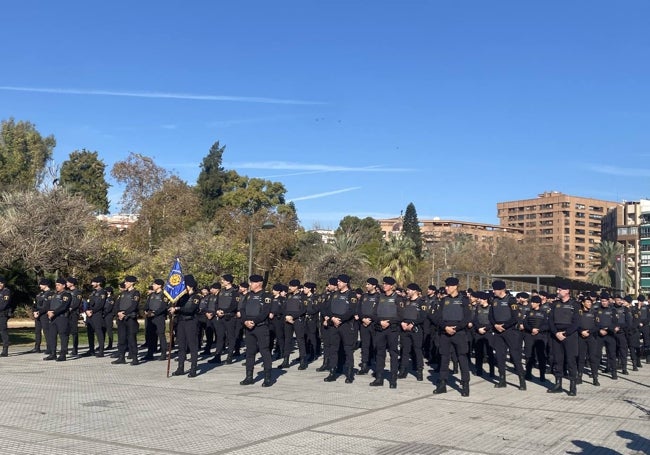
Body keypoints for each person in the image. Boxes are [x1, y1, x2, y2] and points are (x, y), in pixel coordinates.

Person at [432, 277, 472, 397]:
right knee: (444, 359)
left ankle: (465, 385)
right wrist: (445, 328)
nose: (446, 288)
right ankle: (442, 384)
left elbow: (467, 318)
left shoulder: (464, 300)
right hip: (445, 333)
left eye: (448, 286)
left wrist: (455, 328)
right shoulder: (444, 301)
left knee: (462, 358)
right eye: (446, 286)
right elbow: (437, 318)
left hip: (459, 333)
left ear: (455, 287)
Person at [489, 280, 526, 390]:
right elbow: (491, 316)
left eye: (495, 289)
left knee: (515, 356)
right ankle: (502, 380)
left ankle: (522, 381)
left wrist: (503, 326)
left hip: (510, 331)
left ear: (501, 290)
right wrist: (495, 325)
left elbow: (515, 317)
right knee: (500, 356)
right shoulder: (494, 300)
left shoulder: (511, 300)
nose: (493, 291)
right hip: (498, 332)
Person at [239, 274, 274, 387]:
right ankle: (249, 377)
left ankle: (268, 377)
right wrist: (245, 321)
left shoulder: (266, 295)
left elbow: (265, 312)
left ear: (259, 283)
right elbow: (242, 309)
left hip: (261, 327)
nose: (250, 285)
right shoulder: (248, 295)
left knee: (264, 351)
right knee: (250, 352)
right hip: (248, 327)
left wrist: (254, 322)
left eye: (252, 283)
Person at [323, 274, 357, 384]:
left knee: (348, 350)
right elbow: (327, 308)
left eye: (340, 282)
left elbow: (351, 310)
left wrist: (340, 319)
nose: (338, 283)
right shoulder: (334, 294)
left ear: (346, 283)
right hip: (334, 325)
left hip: (345, 326)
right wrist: (333, 318)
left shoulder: (351, 295)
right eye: (337, 281)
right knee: (334, 349)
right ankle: (333, 372)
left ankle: (349, 373)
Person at [547, 280, 580, 396]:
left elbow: (576, 323)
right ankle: (558, 384)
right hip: (556, 336)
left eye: (560, 290)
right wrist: (556, 333)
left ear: (567, 291)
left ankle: (572, 386)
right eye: (558, 289)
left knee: (571, 361)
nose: (558, 291)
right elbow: (550, 320)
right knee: (557, 360)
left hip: (569, 336)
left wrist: (565, 334)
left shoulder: (575, 305)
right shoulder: (555, 304)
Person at [369, 276, 403, 388]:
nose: (384, 285)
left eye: (386, 284)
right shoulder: (379, 297)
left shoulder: (398, 298)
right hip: (380, 329)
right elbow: (373, 314)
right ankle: (379, 378)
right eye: (383, 283)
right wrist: (380, 321)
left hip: (392, 329)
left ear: (392, 286)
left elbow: (401, 315)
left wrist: (389, 322)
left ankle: (393, 379)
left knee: (393, 354)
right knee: (380, 353)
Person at [170, 275, 201, 377]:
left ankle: (193, 368)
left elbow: (190, 309)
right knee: (181, 346)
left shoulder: (196, 296)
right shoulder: (182, 297)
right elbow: (175, 306)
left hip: (191, 322)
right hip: (181, 322)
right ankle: (180, 368)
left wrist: (178, 309)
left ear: (190, 285)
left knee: (192, 346)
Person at [399, 283, 426, 381]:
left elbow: (423, 316)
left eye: (409, 290)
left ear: (414, 291)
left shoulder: (421, 302)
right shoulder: (406, 301)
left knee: (417, 350)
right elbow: (401, 313)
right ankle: (403, 370)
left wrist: (413, 324)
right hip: (405, 328)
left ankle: (419, 371)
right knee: (405, 350)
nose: (407, 291)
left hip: (416, 329)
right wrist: (402, 323)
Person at [112, 276, 141, 366]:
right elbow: (116, 305)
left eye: (127, 282)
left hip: (130, 318)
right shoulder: (122, 294)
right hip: (121, 319)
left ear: (132, 283)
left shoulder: (136, 293)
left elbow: (134, 306)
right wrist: (118, 313)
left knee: (131, 338)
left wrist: (124, 313)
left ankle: (135, 358)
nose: (125, 283)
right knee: (121, 338)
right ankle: (121, 357)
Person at [279, 279, 308, 370]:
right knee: (287, 340)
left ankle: (303, 361)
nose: (289, 288)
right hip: (288, 320)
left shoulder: (303, 296)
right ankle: (285, 360)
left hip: (298, 320)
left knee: (300, 340)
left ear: (296, 287)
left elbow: (303, 309)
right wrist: (287, 316)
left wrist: (292, 316)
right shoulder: (288, 296)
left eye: (291, 286)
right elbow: (283, 308)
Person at [357, 278, 380, 375]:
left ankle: (376, 367)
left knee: (375, 346)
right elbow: (359, 309)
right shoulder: (364, 296)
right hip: (363, 323)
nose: (366, 286)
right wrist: (363, 319)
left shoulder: (379, 297)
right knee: (365, 345)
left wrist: (370, 319)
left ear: (374, 286)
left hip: (373, 324)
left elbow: (379, 311)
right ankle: (364, 365)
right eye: (366, 284)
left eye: (369, 284)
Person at [523, 295, 549, 382]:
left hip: (540, 336)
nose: (532, 304)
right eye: (531, 302)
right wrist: (531, 329)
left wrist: (538, 330)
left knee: (541, 355)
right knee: (529, 355)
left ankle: (542, 375)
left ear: (538, 303)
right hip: (529, 335)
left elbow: (547, 325)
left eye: (533, 302)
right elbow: (525, 323)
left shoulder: (544, 313)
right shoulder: (528, 312)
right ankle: (528, 373)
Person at [45, 278, 72, 361]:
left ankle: (63, 354)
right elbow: (49, 304)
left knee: (63, 336)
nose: (57, 286)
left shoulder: (66, 294)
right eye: (56, 285)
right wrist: (48, 311)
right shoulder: (54, 295)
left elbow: (64, 306)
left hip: (62, 317)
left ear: (63, 286)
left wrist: (54, 312)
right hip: (53, 318)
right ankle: (53, 353)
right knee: (52, 336)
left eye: (59, 285)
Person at [143, 279, 169, 361]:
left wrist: (155, 313)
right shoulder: (151, 295)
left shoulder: (164, 295)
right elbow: (147, 304)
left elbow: (164, 307)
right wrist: (146, 310)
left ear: (159, 285)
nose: (153, 286)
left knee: (161, 335)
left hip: (159, 317)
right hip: (150, 317)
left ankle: (163, 353)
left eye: (154, 284)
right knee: (151, 335)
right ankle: (150, 353)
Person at [576, 295, 600, 386]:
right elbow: (575, 324)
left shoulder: (594, 312)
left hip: (591, 337)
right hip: (581, 337)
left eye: (590, 302)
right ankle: (579, 377)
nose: (589, 304)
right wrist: (581, 331)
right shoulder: (578, 312)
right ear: (583, 303)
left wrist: (589, 332)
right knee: (581, 358)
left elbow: (597, 325)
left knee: (593, 358)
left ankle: (595, 378)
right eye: (587, 302)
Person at [472, 292, 495, 378]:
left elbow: (493, 321)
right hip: (479, 332)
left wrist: (485, 329)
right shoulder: (478, 308)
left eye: (480, 299)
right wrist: (478, 328)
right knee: (478, 353)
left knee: (490, 352)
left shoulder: (491, 308)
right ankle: (479, 370)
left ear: (485, 299)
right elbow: (475, 320)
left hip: (488, 332)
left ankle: (492, 371)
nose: (479, 300)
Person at [595, 292, 618, 380]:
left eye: (605, 301)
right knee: (597, 354)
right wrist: (600, 329)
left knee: (612, 354)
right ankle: (595, 372)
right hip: (600, 335)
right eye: (602, 301)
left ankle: (614, 373)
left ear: (608, 301)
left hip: (610, 335)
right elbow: (595, 323)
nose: (604, 302)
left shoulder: (613, 310)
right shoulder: (597, 310)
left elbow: (615, 323)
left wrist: (607, 329)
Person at [85, 276, 108, 357]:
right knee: (90, 332)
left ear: (99, 283)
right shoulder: (93, 292)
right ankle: (91, 350)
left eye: (94, 282)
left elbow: (100, 304)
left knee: (98, 332)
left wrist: (92, 311)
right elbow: (88, 302)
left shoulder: (102, 292)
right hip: (89, 314)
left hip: (97, 314)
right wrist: (87, 310)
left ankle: (101, 350)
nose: (92, 284)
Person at [31, 278, 54, 354]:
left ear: (46, 285)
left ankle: (49, 347)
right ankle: (37, 347)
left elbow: (47, 306)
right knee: (37, 331)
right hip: (37, 314)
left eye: (41, 284)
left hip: (44, 314)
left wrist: (39, 312)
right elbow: (34, 304)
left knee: (46, 331)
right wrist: (34, 311)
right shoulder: (39, 294)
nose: (40, 285)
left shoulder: (50, 294)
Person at [65, 277, 83, 356]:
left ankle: (75, 349)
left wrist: (71, 308)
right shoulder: (67, 292)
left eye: (68, 282)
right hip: (66, 313)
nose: (66, 284)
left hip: (73, 313)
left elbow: (77, 303)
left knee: (74, 332)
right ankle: (64, 349)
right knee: (65, 331)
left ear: (72, 283)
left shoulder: (77, 292)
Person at [0, 276, 12, 357]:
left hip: (2, 314)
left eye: (1, 283)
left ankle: (5, 350)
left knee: (3, 331)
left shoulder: (6, 292)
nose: (0, 284)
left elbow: (4, 304)